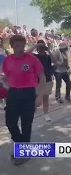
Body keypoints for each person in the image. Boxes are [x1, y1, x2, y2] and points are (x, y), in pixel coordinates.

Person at [1, 35, 45, 165]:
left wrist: (40, 96)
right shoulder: (7, 60)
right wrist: (6, 82)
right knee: (10, 123)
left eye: (22, 46)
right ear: (12, 46)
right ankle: (23, 146)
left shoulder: (32, 59)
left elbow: (42, 78)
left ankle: (23, 152)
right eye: (17, 46)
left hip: (28, 94)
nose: (20, 48)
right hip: (13, 93)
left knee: (26, 125)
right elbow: (6, 76)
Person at [33, 40, 55, 122]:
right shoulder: (35, 56)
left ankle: (46, 114)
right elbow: (26, 54)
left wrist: (48, 50)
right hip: (37, 80)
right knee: (35, 98)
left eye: (42, 46)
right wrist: (35, 46)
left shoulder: (48, 56)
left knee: (45, 98)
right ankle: (32, 112)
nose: (41, 48)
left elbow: (54, 61)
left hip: (48, 79)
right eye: (40, 47)